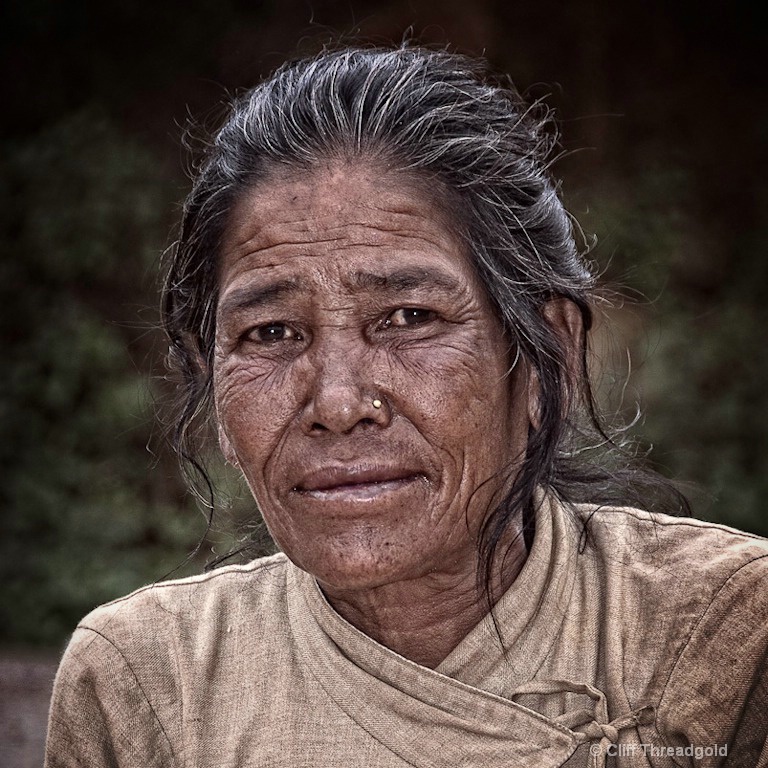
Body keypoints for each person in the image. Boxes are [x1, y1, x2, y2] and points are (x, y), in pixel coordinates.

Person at [45, 46, 768, 767]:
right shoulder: (143, 683)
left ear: (549, 357)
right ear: (212, 382)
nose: (336, 402)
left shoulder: (724, 632)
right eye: (270, 333)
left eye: (409, 317)